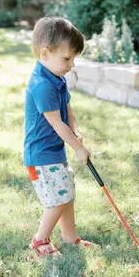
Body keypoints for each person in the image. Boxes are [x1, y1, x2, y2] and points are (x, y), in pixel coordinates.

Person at [24, 16, 96, 257]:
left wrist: (75, 128)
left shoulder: (56, 79)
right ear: (45, 54)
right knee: (58, 198)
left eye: (73, 58)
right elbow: (56, 123)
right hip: (41, 155)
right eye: (67, 58)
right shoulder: (41, 85)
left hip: (54, 152)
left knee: (66, 193)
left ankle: (69, 237)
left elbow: (67, 110)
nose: (72, 64)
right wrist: (78, 147)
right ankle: (40, 240)